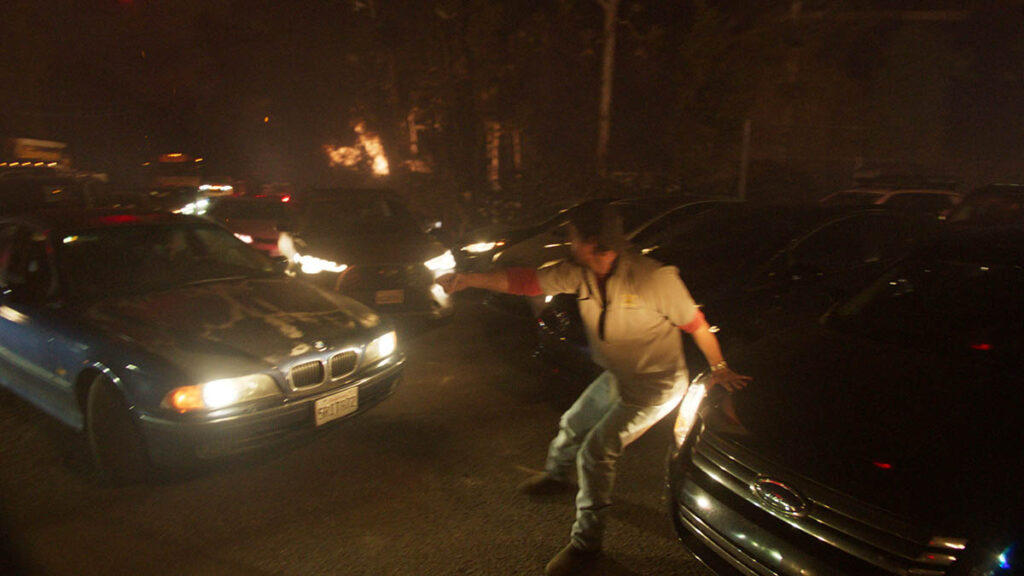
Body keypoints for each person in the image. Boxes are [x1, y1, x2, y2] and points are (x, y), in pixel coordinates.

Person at [436, 200, 751, 575]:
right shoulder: (580, 273)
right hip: (617, 375)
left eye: (572, 236)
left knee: (596, 453)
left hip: (656, 388)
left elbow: (696, 324)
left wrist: (720, 368)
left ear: (592, 241)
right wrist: (469, 279)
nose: (567, 242)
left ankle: (586, 546)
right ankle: (556, 475)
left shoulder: (653, 278)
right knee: (573, 421)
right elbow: (527, 281)